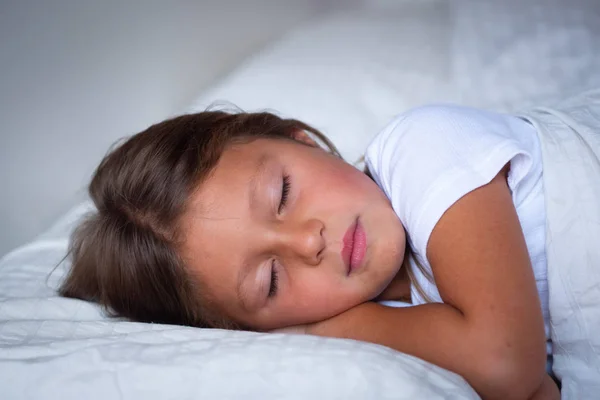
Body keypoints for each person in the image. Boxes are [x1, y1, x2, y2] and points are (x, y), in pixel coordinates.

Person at [59, 103, 570, 399]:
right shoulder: (403, 328)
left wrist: (330, 328)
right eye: (270, 282)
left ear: (304, 141)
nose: (308, 242)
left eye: (281, 193)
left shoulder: (423, 150)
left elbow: (505, 364)